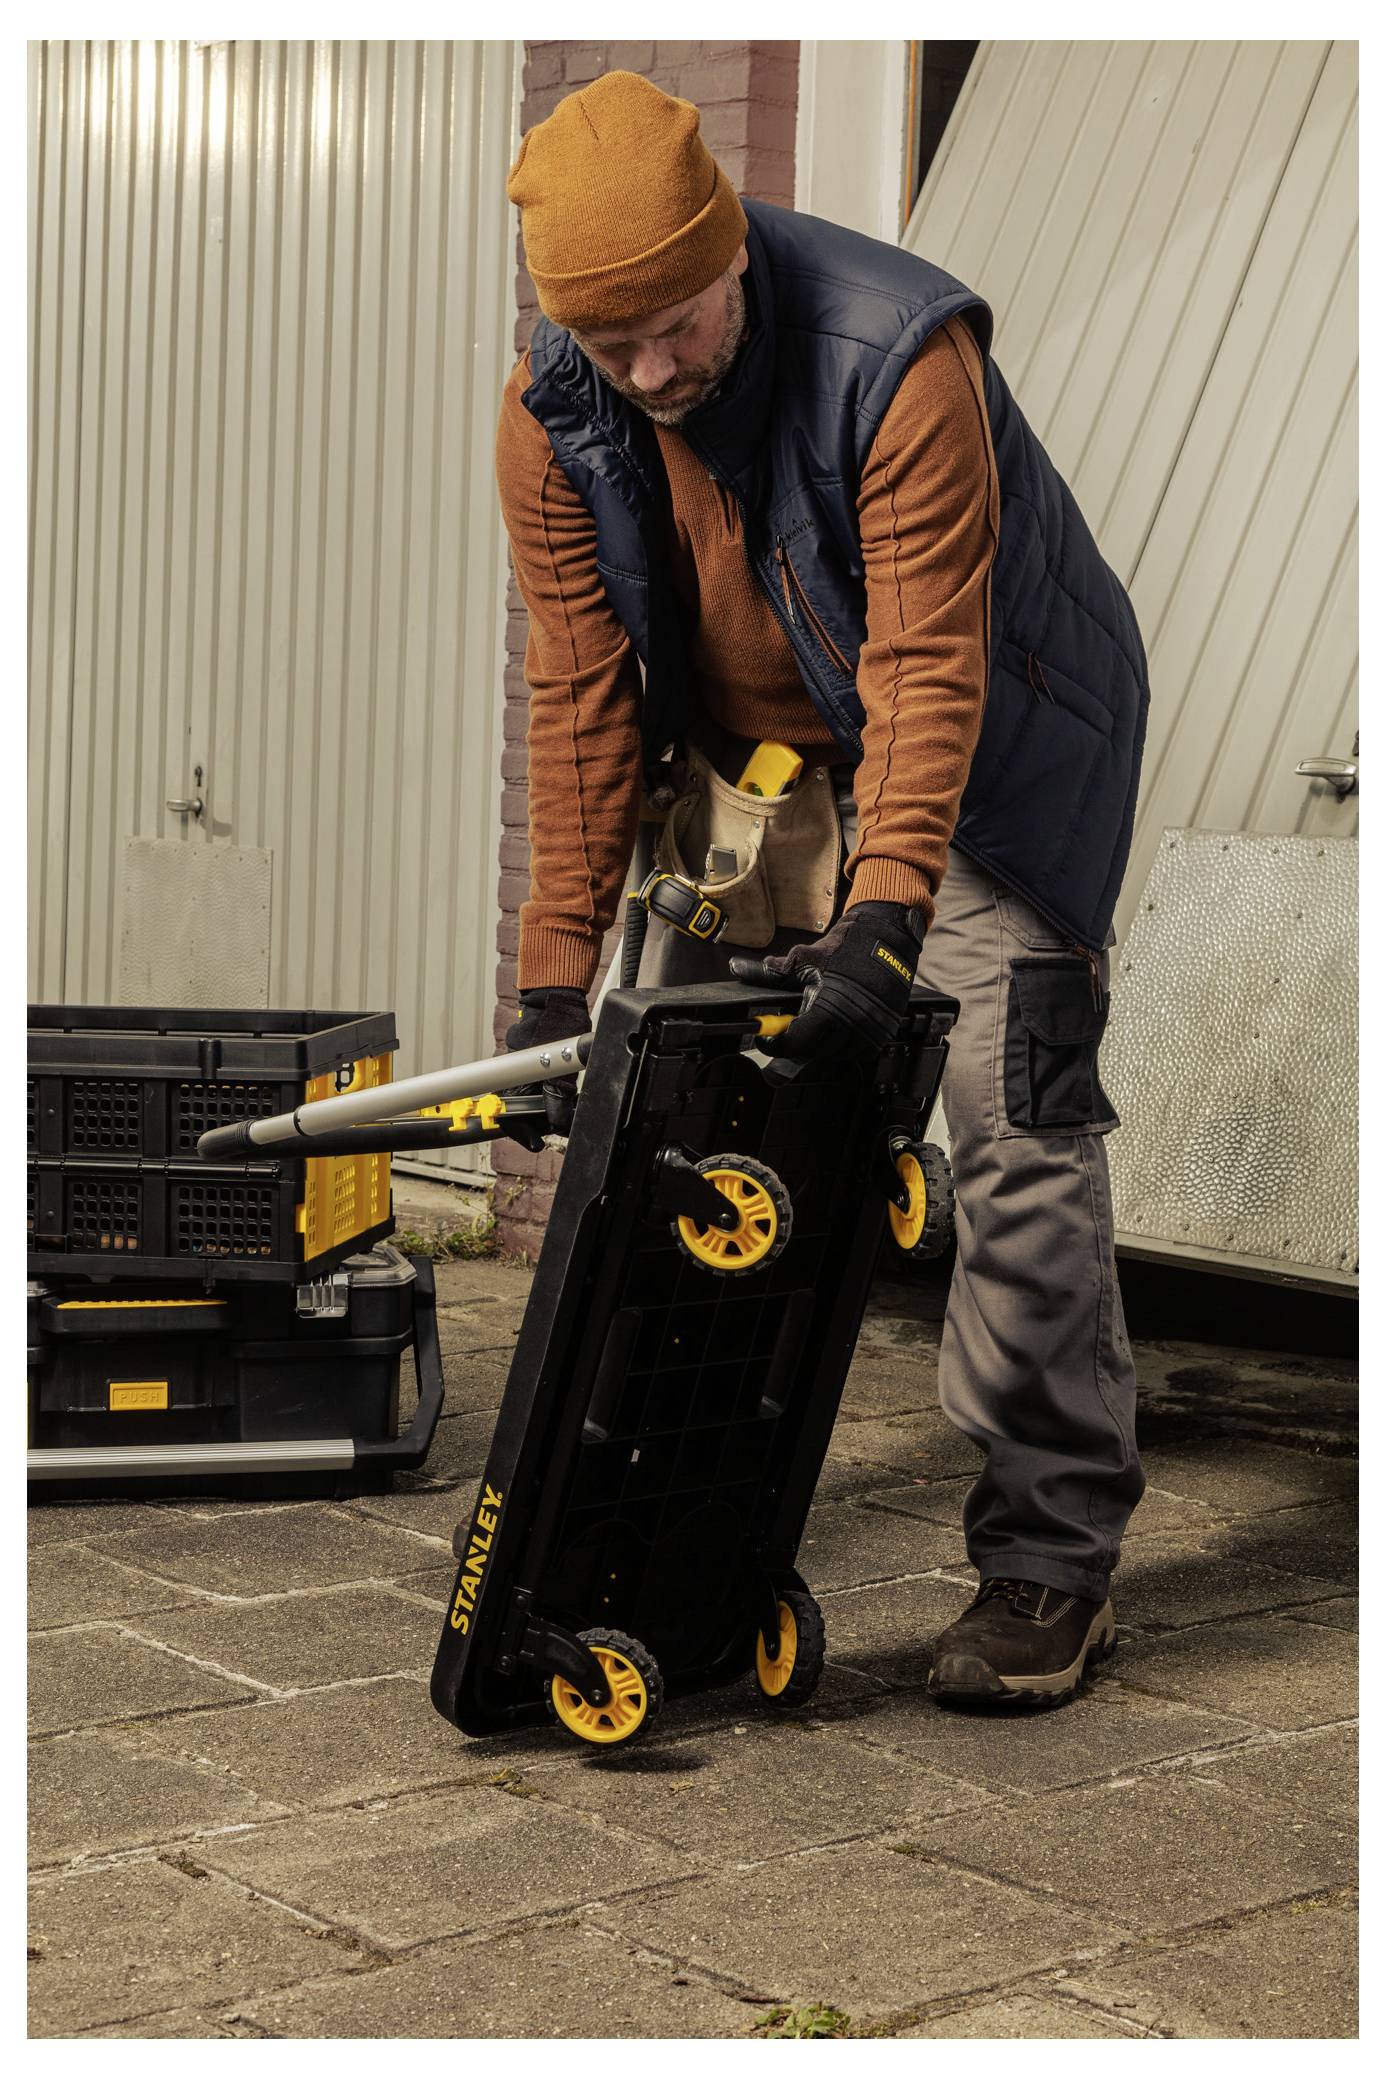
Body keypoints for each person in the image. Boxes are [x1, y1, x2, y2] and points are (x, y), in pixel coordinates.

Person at [495, 70, 1149, 1708]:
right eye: (610, 342)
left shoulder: (899, 356)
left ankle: (1050, 1557)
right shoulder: (553, 411)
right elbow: (578, 692)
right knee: (684, 1131)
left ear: (731, 247)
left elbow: (928, 667)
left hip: (991, 758)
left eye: (673, 325)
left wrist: (882, 921)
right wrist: (553, 974)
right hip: (756, 761)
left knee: (1010, 1131)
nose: (650, 371)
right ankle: (676, 1515)